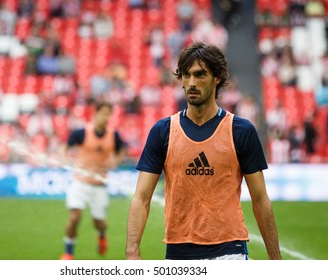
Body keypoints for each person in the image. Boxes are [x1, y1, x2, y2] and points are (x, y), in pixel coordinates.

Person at [125, 41, 282, 260]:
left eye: (200, 75)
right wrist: (132, 250)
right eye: (186, 75)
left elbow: (260, 200)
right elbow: (141, 197)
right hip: (178, 255)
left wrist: (276, 260)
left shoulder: (241, 131)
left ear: (217, 78)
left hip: (230, 253)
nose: (191, 83)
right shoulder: (163, 131)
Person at [60, 101, 126, 260]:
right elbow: (65, 147)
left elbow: (122, 150)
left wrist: (116, 161)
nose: (105, 117)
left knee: (99, 223)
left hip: (99, 186)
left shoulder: (113, 135)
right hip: (80, 183)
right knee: (74, 217)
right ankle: (68, 253)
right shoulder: (82, 133)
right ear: (95, 113)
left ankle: (102, 235)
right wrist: (64, 160)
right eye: (102, 113)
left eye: (108, 114)